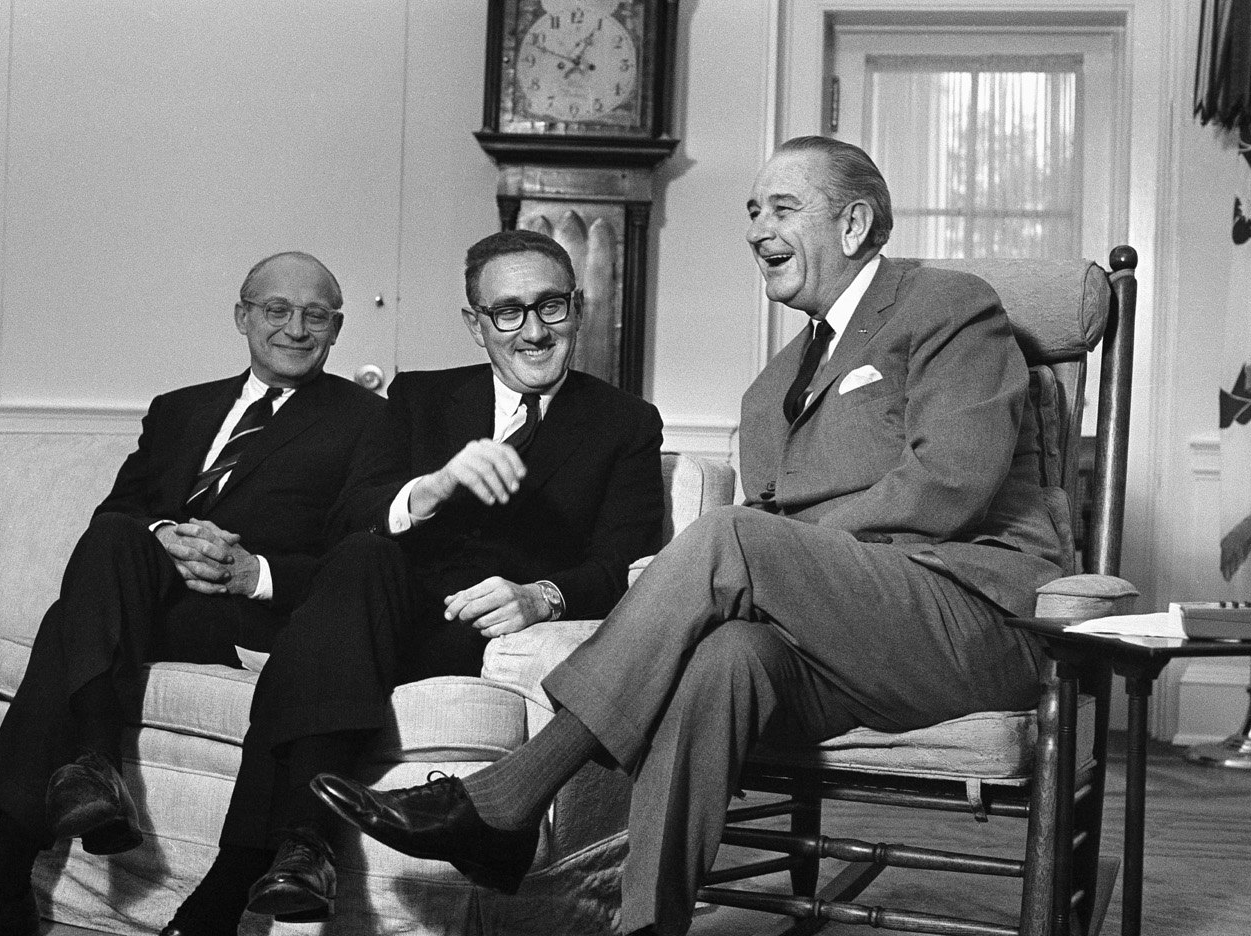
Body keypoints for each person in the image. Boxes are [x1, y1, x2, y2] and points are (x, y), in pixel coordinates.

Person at [313, 137, 1069, 936]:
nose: (755, 229)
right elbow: (776, 544)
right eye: (752, 210)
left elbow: (952, 480)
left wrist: (779, 554)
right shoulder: (770, 388)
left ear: (852, 225)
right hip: (839, 641)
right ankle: (646, 924)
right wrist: (775, 563)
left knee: (730, 538)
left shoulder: (947, 304)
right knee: (725, 659)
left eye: (781, 208)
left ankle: (509, 799)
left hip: (971, 619)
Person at [160, 230, 664, 936]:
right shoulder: (422, 398)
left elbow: (629, 562)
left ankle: (245, 873)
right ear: (476, 324)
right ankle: (299, 849)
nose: (533, 330)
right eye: (508, 312)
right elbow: (352, 516)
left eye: (551, 306)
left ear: (577, 310)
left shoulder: (624, 423)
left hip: (478, 630)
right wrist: (428, 490)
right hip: (381, 603)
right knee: (360, 562)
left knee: (316, 648)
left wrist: (540, 595)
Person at [0, 251, 387, 936]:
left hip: (250, 622)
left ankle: (4, 866)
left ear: (337, 327)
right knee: (115, 540)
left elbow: (357, 557)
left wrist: (251, 567)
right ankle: (91, 766)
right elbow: (118, 514)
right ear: (242, 316)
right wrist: (166, 532)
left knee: (68, 625)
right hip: (151, 604)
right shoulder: (180, 409)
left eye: (315, 315)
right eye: (276, 310)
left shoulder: (367, 421)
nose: (295, 328)